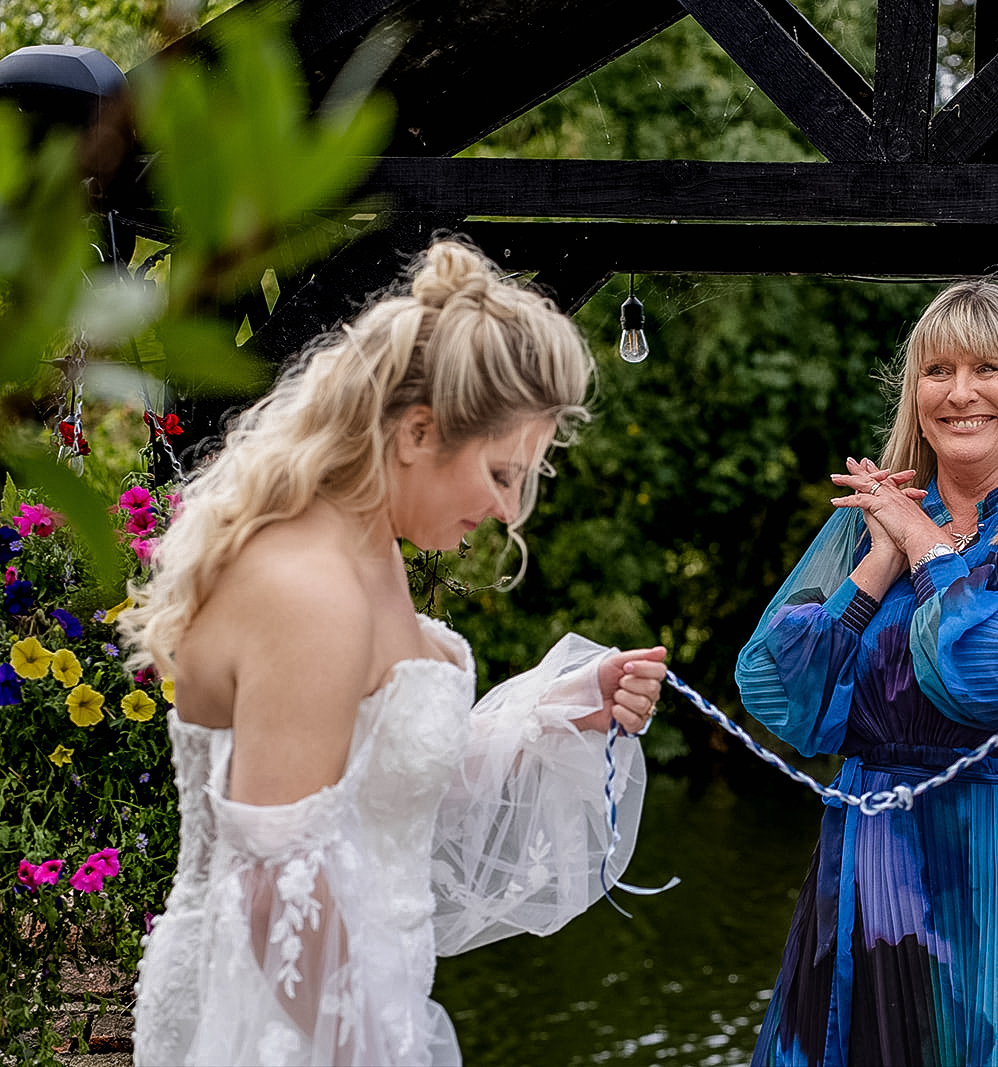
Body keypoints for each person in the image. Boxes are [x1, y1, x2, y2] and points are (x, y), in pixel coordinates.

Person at [122, 239, 668, 1066]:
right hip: (279, 1022)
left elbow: (377, 800)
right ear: (418, 430)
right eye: (500, 471)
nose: (506, 509)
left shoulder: (365, 551)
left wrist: (558, 711)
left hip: (349, 997)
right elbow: (276, 896)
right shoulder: (306, 587)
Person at [736, 280, 998, 1067]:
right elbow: (779, 690)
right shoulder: (872, 522)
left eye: (988, 368)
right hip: (864, 873)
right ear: (914, 391)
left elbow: (995, 675)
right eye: (937, 370)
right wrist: (878, 564)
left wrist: (927, 551)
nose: (960, 393)